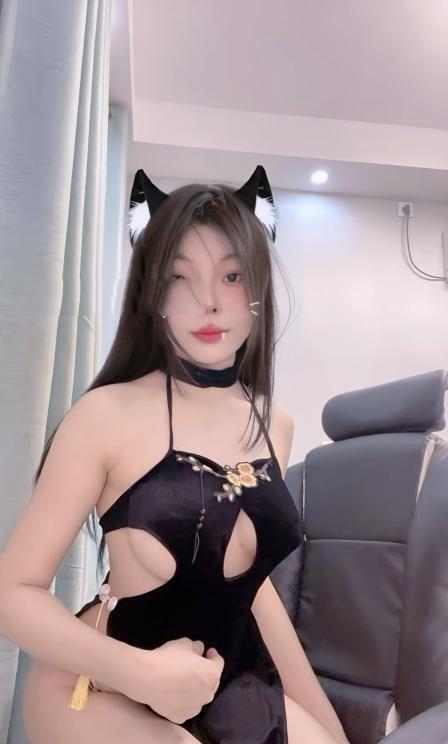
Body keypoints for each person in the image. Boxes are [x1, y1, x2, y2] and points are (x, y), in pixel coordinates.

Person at [0, 166, 349, 743]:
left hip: (229, 682)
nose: (208, 303)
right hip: (99, 685)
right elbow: (13, 593)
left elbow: (252, 585)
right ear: (153, 294)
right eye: (179, 278)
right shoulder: (105, 415)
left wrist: (329, 725)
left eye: (231, 276)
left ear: (258, 290)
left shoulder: (274, 423)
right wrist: (139, 673)